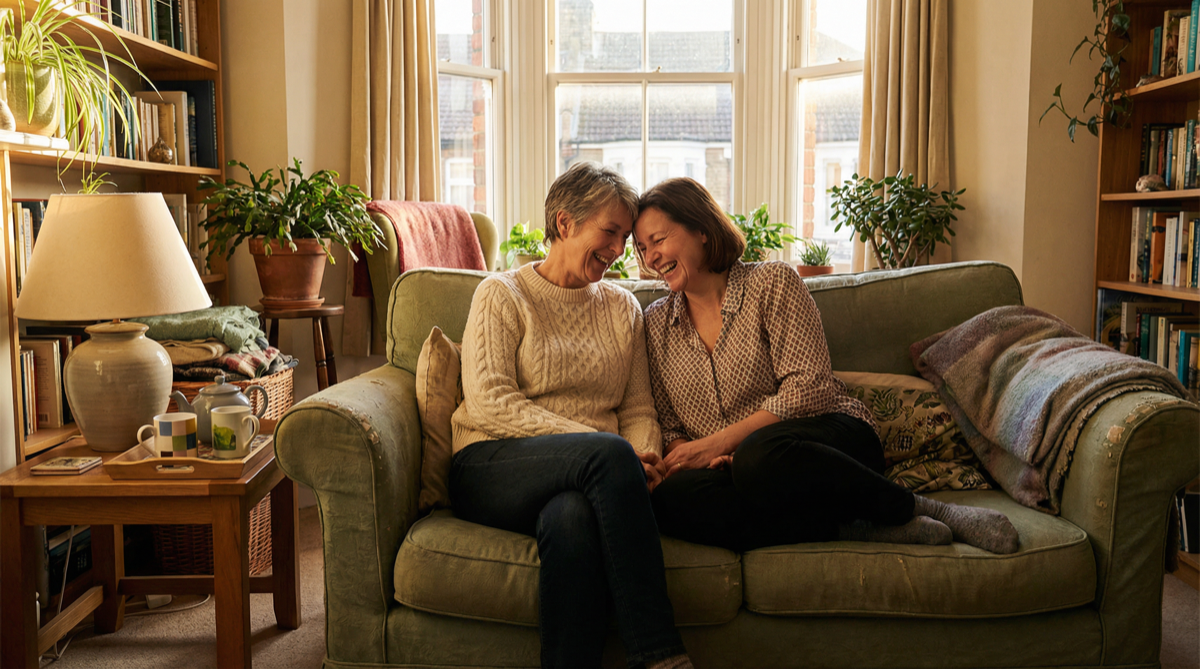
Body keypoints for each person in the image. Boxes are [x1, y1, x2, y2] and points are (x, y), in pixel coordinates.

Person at [633, 177, 1020, 555]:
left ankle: (924, 508)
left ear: (701, 228)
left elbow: (809, 388)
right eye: (641, 248)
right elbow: (668, 421)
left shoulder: (771, 282)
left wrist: (721, 445)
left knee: (759, 457)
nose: (650, 258)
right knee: (669, 500)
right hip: (739, 474)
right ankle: (851, 528)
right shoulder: (655, 323)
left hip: (823, 444)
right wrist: (691, 459)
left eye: (659, 240)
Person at [449, 162, 690, 669]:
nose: (619, 250)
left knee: (572, 521)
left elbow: (638, 406)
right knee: (606, 453)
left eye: (625, 238)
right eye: (610, 232)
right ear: (564, 224)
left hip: (585, 480)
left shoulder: (623, 308)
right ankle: (659, 654)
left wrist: (641, 459)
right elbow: (491, 400)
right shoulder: (502, 294)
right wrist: (602, 450)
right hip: (492, 464)